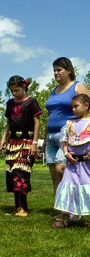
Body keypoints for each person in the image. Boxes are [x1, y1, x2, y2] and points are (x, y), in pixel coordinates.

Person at [53, 94, 90, 228]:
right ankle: (66, 217)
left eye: (76, 106)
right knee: (69, 189)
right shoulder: (70, 124)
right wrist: (66, 153)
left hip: (87, 164)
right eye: (72, 107)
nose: (73, 109)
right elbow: (64, 141)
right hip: (72, 165)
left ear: (86, 106)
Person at [45, 57, 90, 194]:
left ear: (69, 70)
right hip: (51, 136)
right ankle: (61, 210)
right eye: (54, 70)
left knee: (62, 168)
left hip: (68, 134)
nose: (56, 73)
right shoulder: (54, 90)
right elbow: (51, 113)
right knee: (54, 173)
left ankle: (73, 207)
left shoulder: (78, 86)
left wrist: (86, 135)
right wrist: (45, 136)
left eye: (59, 70)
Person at [0, 76, 42, 217]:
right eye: (12, 91)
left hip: (27, 142)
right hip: (13, 143)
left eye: (16, 90)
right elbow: (8, 124)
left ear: (24, 87)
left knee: (21, 173)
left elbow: (37, 122)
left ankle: (23, 208)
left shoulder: (31, 102)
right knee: (12, 173)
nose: (14, 93)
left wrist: (34, 143)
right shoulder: (10, 103)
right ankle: (17, 207)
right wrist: (3, 139)